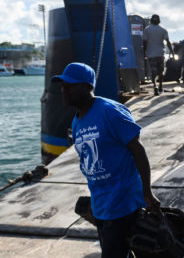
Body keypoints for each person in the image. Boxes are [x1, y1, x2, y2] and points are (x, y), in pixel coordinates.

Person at [51, 63, 160, 258]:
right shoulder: (77, 121)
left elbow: (138, 150)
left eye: (70, 85)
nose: (64, 90)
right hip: (101, 204)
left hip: (124, 202)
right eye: (62, 85)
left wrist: (147, 192)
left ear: (87, 87)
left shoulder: (110, 111)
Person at [143, 14, 174, 96]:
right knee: (161, 71)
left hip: (150, 54)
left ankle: (155, 86)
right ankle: (160, 85)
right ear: (159, 21)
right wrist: (172, 52)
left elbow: (144, 42)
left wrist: (144, 52)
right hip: (160, 54)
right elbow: (168, 42)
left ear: (151, 20)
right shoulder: (163, 30)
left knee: (153, 71)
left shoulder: (147, 29)